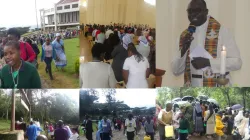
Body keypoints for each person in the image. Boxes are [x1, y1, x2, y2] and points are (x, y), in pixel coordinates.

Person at [171, 0, 242, 87]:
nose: (193, 14)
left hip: (217, 85)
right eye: (190, 11)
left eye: (197, 10)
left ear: (206, 11)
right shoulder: (184, 36)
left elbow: (237, 62)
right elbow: (175, 71)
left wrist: (209, 62)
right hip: (192, 86)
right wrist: (183, 50)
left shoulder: (221, 31)